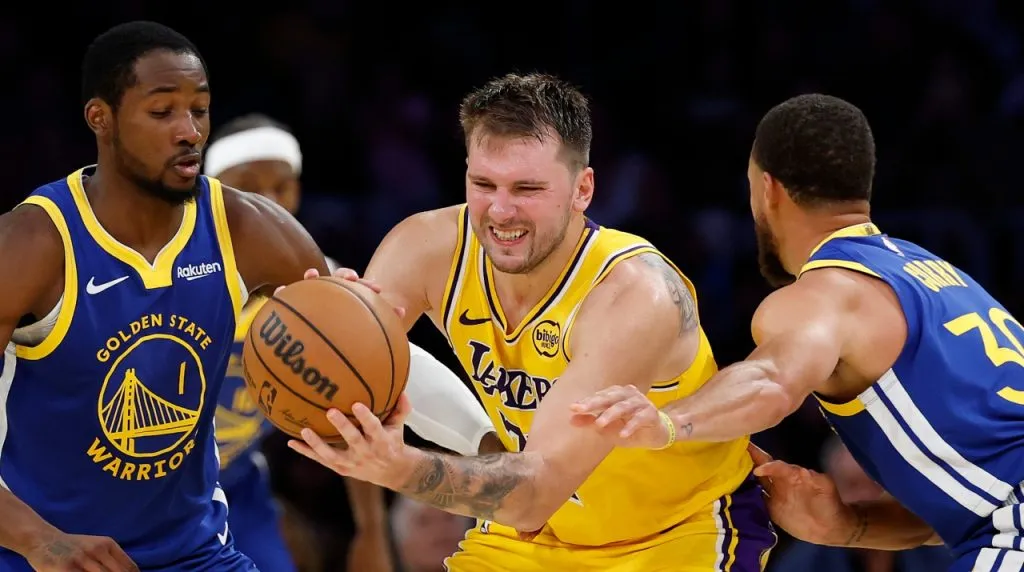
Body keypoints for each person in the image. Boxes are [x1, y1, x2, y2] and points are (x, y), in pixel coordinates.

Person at [0, 20, 493, 572]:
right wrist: (36, 539)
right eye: (162, 112)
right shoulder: (32, 244)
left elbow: (369, 349)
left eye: (200, 110)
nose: (188, 130)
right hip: (41, 549)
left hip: (194, 551)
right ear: (102, 119)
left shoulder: (248, 229)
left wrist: (489, 445)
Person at [287, 72, 778, 571]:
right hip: (534, 537)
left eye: (527, 188)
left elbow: (537, 490)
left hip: (673, 534)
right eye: (483, 184)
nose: (501, 210)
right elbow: (361, 363)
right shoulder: (425, 247)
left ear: (582, 189)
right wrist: (324, 321)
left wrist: (401, 468)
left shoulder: (634, 295)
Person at [570, 94, 1024, 572]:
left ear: (768, 190)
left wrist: (666, 421)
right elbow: (969, 505)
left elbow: (771, 381)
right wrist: (850, 526)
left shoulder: (825, 292)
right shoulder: (939, 276)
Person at [204, 113, 504, 572]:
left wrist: (370, 529)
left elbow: (370, 386)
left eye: (283, 186)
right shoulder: (173, 272)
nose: (268, 199)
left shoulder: (317, 280)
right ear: (209, 188)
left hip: (232, 480)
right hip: (133, 472)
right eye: (247, 184)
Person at [768, 436, 954, 571]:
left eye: (875, 484)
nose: (865, 495)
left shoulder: (945, 547)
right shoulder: (802, 563)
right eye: (853, 485)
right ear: (829, 491)